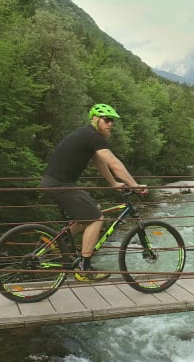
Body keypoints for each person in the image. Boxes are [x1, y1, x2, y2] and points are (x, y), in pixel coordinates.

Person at [40, 103, 147, 282]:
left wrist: (113, 183)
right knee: (96, 218)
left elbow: (100, 163)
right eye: (107, 120)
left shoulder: (87, 136)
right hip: (60, 185)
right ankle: (85, 269)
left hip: (54, 183)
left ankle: (57, 244)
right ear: (96, 119)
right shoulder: (93, 136)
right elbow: (115, 164)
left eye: (112, 121)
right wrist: (135, 185)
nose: (110, 124)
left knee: (93, 208)